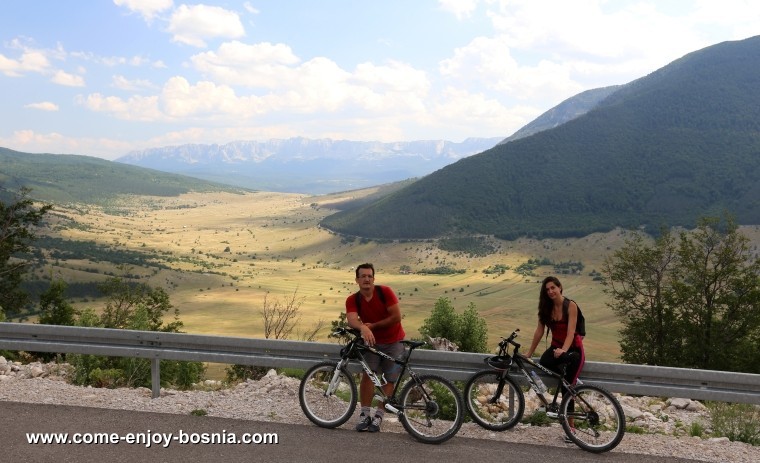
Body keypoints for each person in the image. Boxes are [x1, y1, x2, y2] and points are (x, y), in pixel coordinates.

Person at [345, 263, 405, 433]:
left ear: (374, 279)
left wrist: (372, 327)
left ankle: (379, 415)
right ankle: (364, 414)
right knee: (367, 375)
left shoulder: (385, 292)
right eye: (363, 276)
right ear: (357, 280)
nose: (366, 279)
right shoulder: (353, 299)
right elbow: (351, 320)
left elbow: (396, 317)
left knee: (390, 379)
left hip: (394, 341)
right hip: (371, 342)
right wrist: (363, 327)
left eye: (370, 276)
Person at [525, 276, 585, 442]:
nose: (550, 291)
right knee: (544, 362)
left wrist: (564, 350)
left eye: (553, 288)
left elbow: (571, 332)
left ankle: (571, 429)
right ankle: (567, 377)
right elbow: (539, 331)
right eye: (547, 290)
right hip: (556, 347)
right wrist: (529, 353)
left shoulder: (570, 305)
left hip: (573, 349)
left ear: (560, 288)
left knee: (567, 390)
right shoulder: (546, 308)